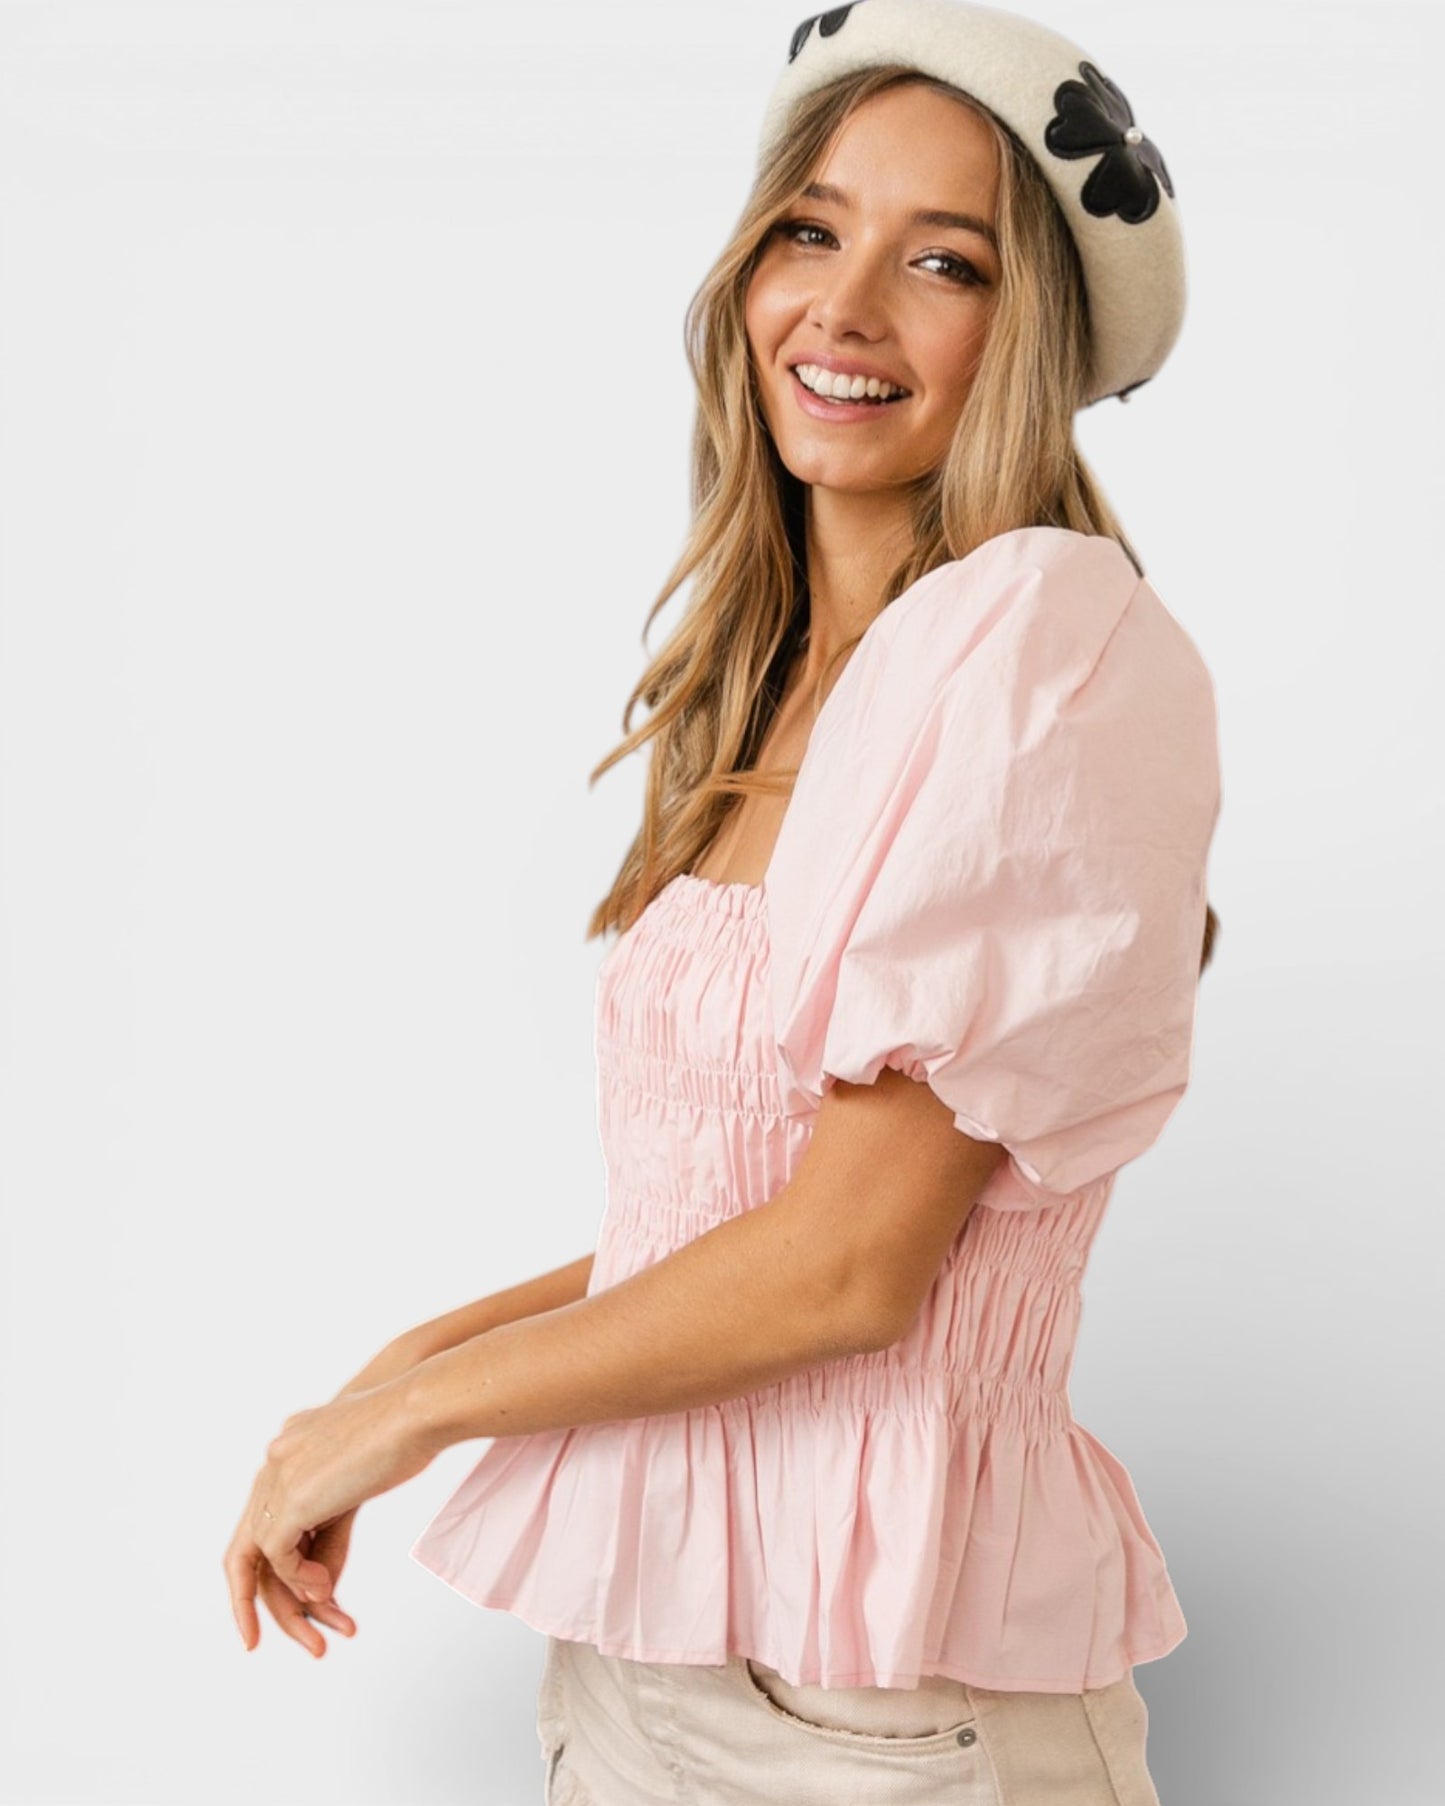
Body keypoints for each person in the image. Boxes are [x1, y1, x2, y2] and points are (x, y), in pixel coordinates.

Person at [223, 2, 1223, 1800]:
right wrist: (406, 1360)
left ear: (1029, 338)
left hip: (882, 1703)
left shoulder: (1036, 653)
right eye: (809, 230)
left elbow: (852, 1263)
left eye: (942, 261)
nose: (842, 308)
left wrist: (409, 1414)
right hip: (638, 1663)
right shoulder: (771, 681)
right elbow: (727, 1217)